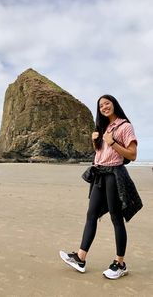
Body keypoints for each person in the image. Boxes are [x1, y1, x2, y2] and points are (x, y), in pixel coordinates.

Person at [59, 94, 143, 279]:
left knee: (116, 218)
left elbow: (132, 155)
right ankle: (80, 258)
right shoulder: (102, 128)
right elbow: (101, 154)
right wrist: (95, 141)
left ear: (114, 104)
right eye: (101, 105)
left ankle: (120, 264)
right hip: (99, 174)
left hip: (114, 175)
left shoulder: (124, 126)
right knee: (91, 214)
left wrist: (112, 141)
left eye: (107, 103)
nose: (104, 107)